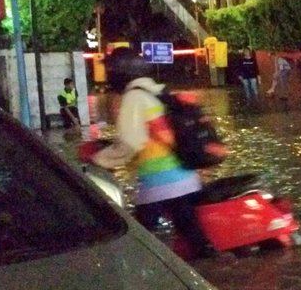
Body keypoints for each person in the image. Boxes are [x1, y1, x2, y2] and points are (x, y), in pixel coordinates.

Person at [92, 48, 216, 259]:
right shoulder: (159, 91)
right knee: (195, 239)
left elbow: (130, 143)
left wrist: (98, 159)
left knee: (135, 240)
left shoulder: (134, 98)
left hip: (159, 181)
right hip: (185, 175)